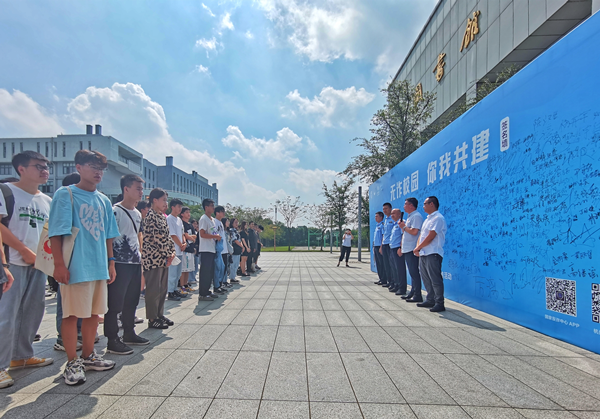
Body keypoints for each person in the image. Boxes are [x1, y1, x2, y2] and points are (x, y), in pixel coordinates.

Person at [49, 150, 120, 386]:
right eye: (93, 167)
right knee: (71, 314)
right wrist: (59, 264)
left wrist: (111, 262)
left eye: (101, 169)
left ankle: (88, 356)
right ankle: (72, 361)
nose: (98, 172)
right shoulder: (66, 194)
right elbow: (56, 232)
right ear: (78, 167)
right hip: (75, 265)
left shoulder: (103, 200)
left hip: (99, 265)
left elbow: (109, 235)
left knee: (94, 314)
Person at [0, 151, 53, 389]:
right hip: (12, 262)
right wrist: (22, 250)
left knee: (33, 311)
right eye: (38, 166)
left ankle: (21, 355)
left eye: (46, 166)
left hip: (38, 263)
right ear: (21, 169)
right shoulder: (6, 191)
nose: (44, 170)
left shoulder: (47, 200)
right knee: (6, 316)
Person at [104, 174, 149, 355]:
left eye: (141, 189)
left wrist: (141, 257)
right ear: (126, 189)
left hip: (135, 263)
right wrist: (111, 262)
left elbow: (137, 236)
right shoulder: (115, 211)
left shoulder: (137, 213)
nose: (141, 192)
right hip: (119, 263)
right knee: (115, 303)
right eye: (138, 188)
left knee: (132, 300)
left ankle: (129, 333)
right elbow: (108, 238)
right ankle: (112, 339)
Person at [53, 173, 84, 352]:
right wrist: (59, 264)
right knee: (65, 302)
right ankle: (62, 338)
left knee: (81, 301)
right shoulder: (64, 198)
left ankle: (78, 333)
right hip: (68, 259)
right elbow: (56, 233)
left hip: (83, 260)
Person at [142, 188, 175, 329]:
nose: (165, 203)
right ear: (154, 200)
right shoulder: (151, 216)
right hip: (153, 259)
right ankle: (152, 318)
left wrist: (172, 252)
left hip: (163, 258)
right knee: (153, 290)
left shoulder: (161, 216)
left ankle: (159, 314)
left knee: (162, 289)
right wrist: (169, 253)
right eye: (163, 200)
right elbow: (158, 238)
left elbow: (168, 237)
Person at [413, 196, 447, 312]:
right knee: (426, 278)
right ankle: (430, 299)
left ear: (431, 204)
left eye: (425, 204)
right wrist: (417, 248)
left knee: (435, 279)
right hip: (424, 253)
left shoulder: (438, 218)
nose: (423, 206)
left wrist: (418, 247)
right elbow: (422, 235)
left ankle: (439, 303)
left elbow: (431, 236)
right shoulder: (427, 219)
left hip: (433, 253)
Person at [399, 198, 424, 303]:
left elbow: (414, 232)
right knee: (412, 272)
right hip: (407, 248)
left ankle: (417, 295)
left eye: (405, 204)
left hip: (412, 248)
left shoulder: (416, 216)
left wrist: (404, 227)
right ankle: (412, 292)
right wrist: (403, 227)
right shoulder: (410, 216)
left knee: (414, 272)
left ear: (411, 205)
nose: (404, 206)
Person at [197, 199, 221, 301]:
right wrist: (215, 236)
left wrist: (216, 237)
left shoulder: (212, 219)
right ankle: (202, 293)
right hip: (205, 249)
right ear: (206, 207)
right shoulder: (204, 219)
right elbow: (202, 234)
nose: (213, 208)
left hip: (212, 249)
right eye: (211, 206)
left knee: (210, 272)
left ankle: (207, 291)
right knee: (205, 272)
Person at [166, 199, 186, 301]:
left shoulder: (179, 220)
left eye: (181, 207)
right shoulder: (169, 219)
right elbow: (172, 235)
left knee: (178, 273)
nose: (180, 209)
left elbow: (182, 233)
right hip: (173, 250)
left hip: (180, 250)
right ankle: (170, 291)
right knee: (172, 273)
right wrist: (181, 244)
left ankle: (174, 289)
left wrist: (184, 243)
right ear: (172, 207)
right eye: (178, 206)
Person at [388, 208, 407, 296]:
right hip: (392, 248)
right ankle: (396, 285)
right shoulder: (394, 224)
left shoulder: (401, 223)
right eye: (391, 214)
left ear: (399, 214)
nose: (392, 215)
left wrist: (400, 247)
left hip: (397, 249)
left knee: (400, 269)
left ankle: (402, 288)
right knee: (394, 268)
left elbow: (403, 235)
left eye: (394, 213)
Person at [180, 208, 197, 293]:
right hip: (184, 249)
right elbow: (186, 236)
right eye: (186, 212)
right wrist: (190, 237)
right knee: (183, 269)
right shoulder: (182, 223)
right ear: (182, 214)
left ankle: (186, 285)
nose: (188, 214)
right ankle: (181, 285)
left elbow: (194, 235)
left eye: (189, 212)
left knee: (188, 269)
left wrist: (191, 237)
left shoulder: (190, 225)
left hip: (190, 249)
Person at [212, 206, 228, 294]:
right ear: (217, 213)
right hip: (219, 250)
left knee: (223, 268)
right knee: (218, 269)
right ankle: (216, 286)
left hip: (224, 249)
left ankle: (220, 284)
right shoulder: (214, 222)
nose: (223, 213)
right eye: (222, 211)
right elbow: (213, 232)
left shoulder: (221, 223)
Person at [379, 203, 395, 288]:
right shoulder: (385, 220)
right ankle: (389, 281)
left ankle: (394, 283)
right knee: (386, 264)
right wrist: (381, 246)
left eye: (386, 208)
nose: (384, 210)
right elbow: (384, 234)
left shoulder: (393, 219)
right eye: (383, 209)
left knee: (392, 265)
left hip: (390, 244)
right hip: (384, 244)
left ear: (390, 209)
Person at [372, 212, 387, 285]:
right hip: (376, 246)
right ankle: (380, 278)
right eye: (375, 216)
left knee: (382, 263)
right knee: (378, 263)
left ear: (381, 217)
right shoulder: (377, 226)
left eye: (377, 216)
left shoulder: (382, 225)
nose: (375, 218)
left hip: (380, 246)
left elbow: (383, 236)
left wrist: (381, 247)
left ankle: (384, 279)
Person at [228, 218, 242, 284]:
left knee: (236, 263)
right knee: (233, 264)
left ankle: (234, 276)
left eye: (237, 222)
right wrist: (242, 246)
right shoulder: (231, 230)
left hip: (238, 248)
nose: (237, 224)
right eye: (235, 222)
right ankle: (232, 277)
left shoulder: (236, 230)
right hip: (234, 248)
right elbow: (235, 240)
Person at [190, 219, 199, 285]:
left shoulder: (196, 232)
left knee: (196, 265)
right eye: (194, 224)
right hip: (192, 249)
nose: (195, 225)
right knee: (192, 265)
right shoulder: (191, 231)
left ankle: (194, 277)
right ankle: (191, 278)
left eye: (196, 224)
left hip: (197, 250)